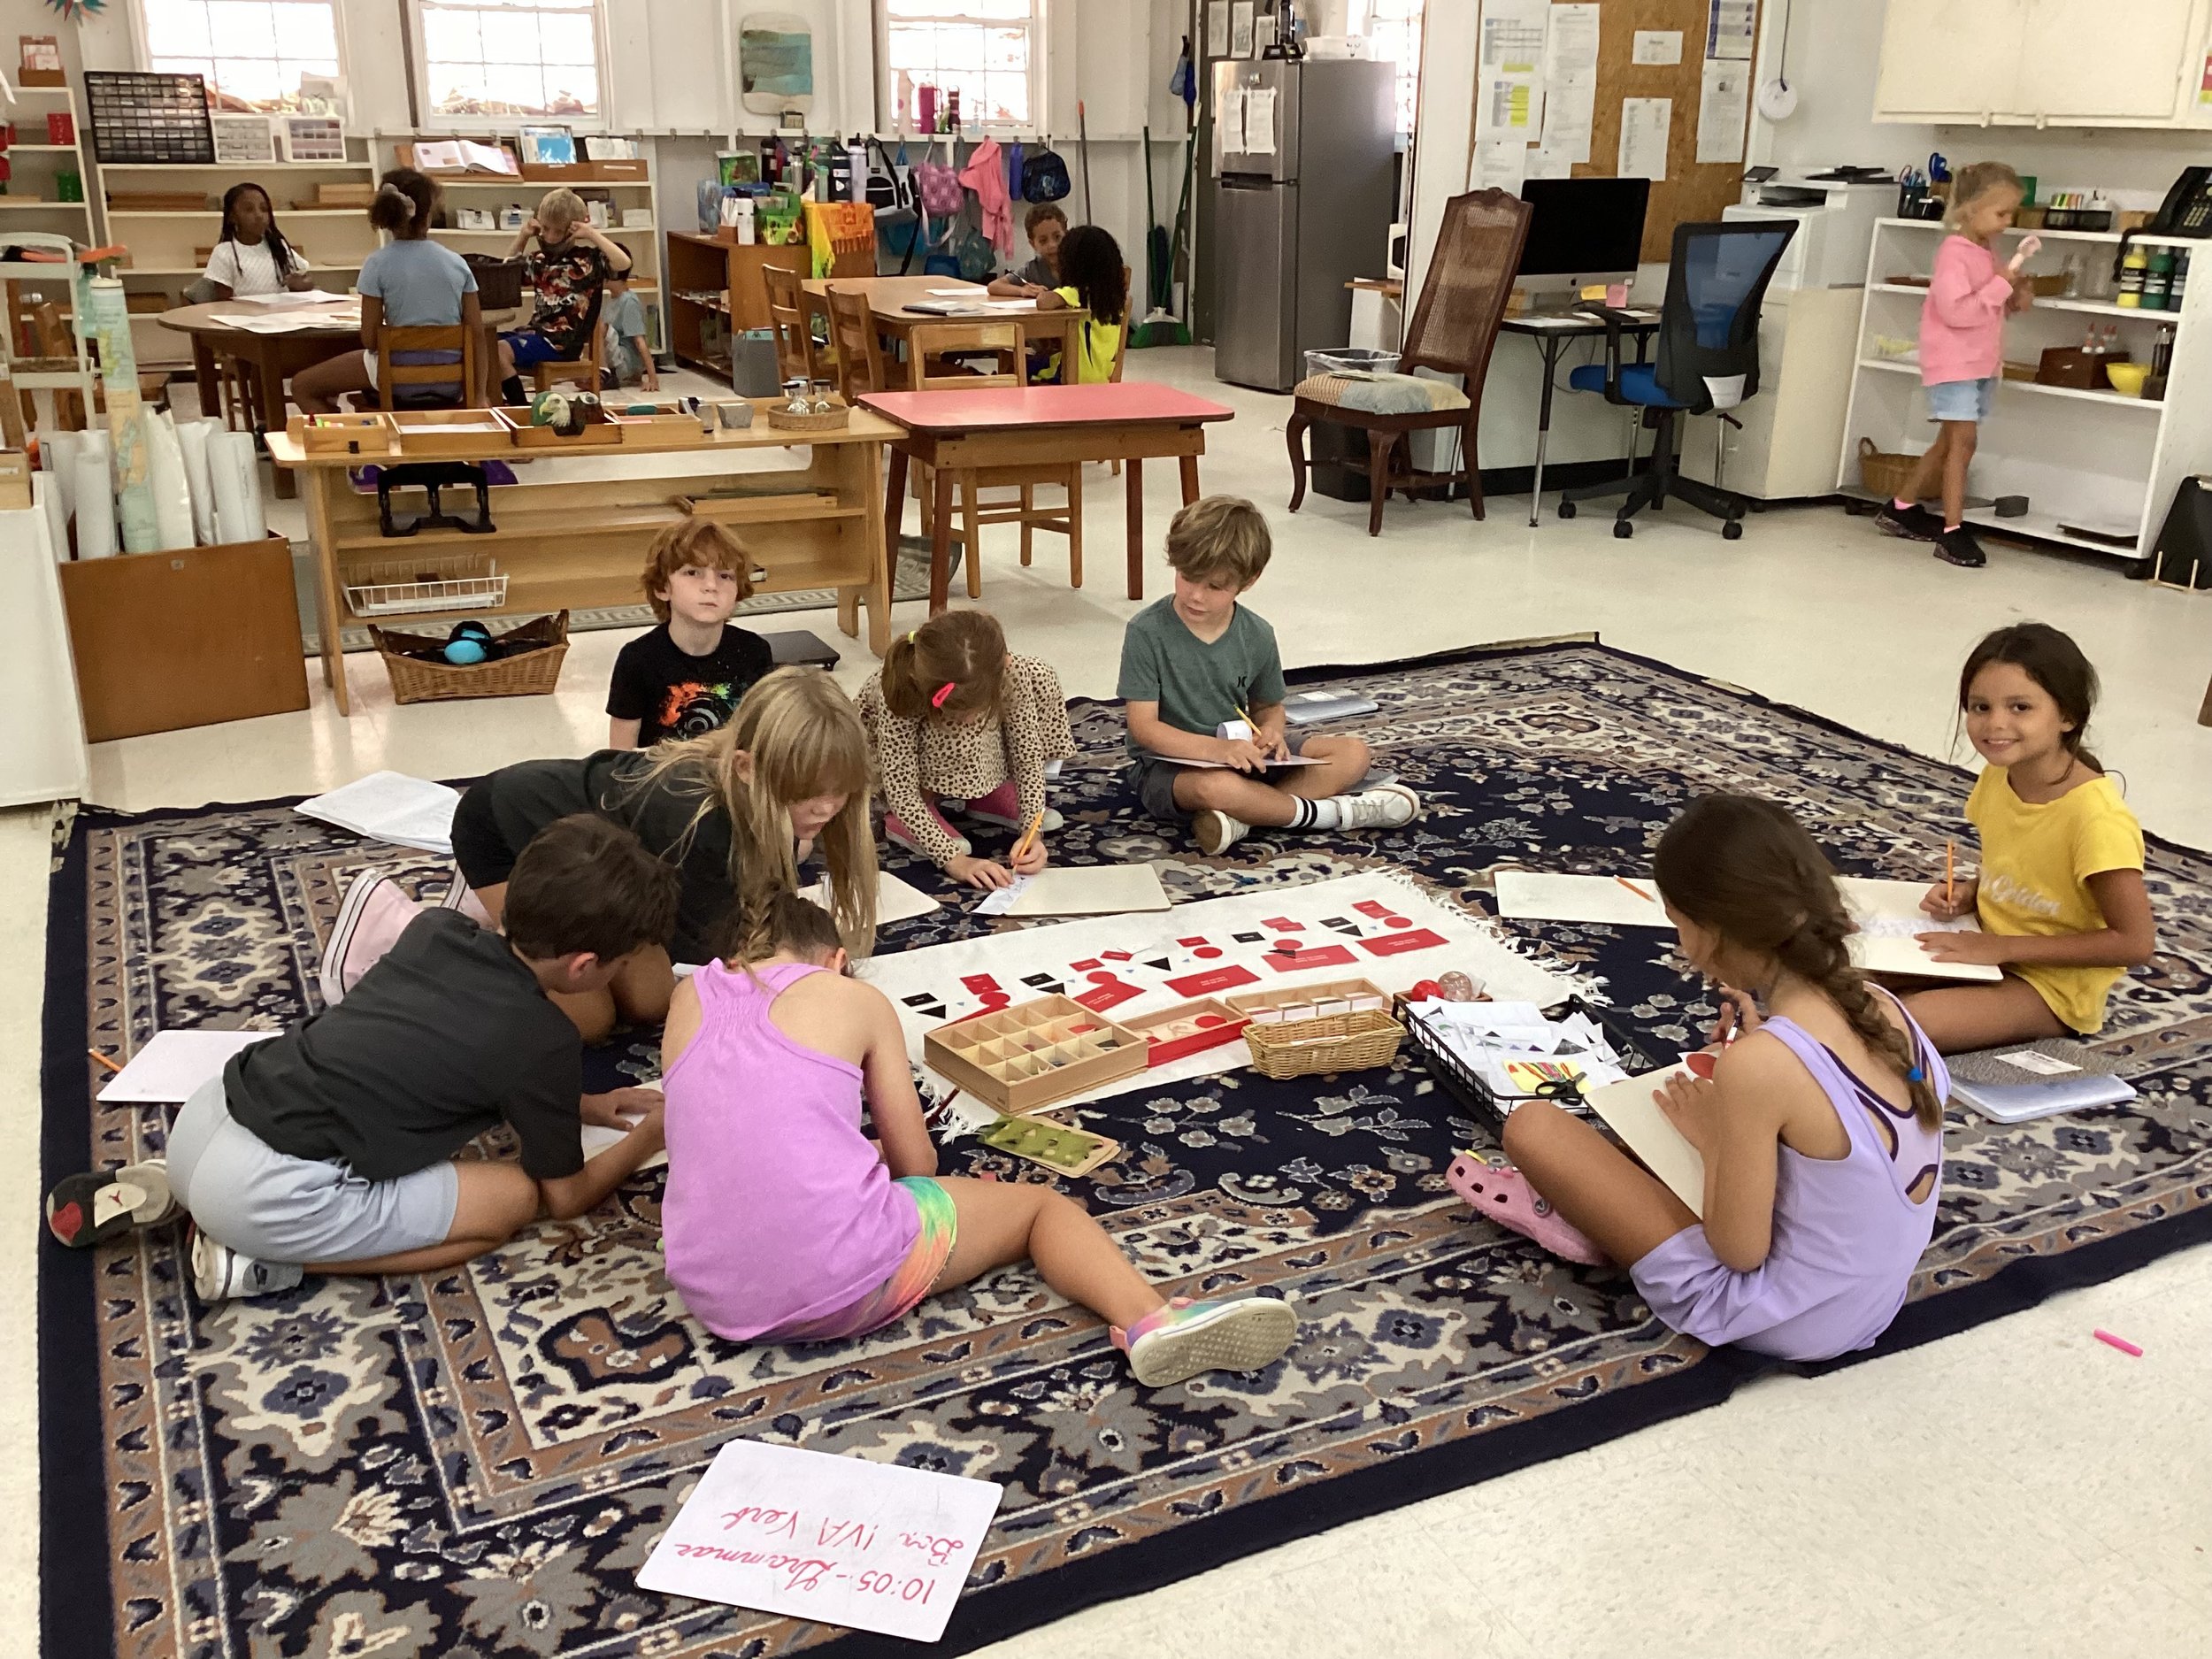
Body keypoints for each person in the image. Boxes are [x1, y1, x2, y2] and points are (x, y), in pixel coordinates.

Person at [658, 892, 1300, 1385]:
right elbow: (916, 1165)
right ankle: (1149, 1316)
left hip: (712, 1293)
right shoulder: (852, 998)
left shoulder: (686, 997)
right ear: (837, 962)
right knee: (1042, 1209)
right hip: (842, 1279)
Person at [1496, 794, 1948, 1363]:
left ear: (1709, 933)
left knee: (1532, 1125)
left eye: (1678, 925)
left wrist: (1713, 1136)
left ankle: (1584, 1225)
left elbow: (1737, 1251)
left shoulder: (1757, 1067)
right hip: (1873, 1303)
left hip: (1783, 1317)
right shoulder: (1884, 1007)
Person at [153, 816, 678, 1301]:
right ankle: (267, 1262)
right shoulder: (544, 1038)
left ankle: (194, 1203)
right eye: (624, 963)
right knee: (514, 1200)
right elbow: (566, 1198)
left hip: (203, 1120)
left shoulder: (435, 930)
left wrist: (581, 1104)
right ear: (584, 966)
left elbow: (451, 1050)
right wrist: (650, 1137)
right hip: (264, 1193)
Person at [323, 669, 879, 1042]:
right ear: (747, 769)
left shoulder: (758, 802)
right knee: (593, 1017)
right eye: (809, 793)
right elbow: (709, 947)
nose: (828, 806)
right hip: (506, 832)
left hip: (607, 863)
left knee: (640, 1002)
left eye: (840, 791)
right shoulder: (698, 824)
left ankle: (497, 921)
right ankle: (412, 935)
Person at [1120, 495, 1417, 856]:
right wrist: (1218, 750)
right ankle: (1330, 814)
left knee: (1354, 753)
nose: (1195, 595)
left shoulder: (1257, 633)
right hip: (1171, 769)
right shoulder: (1147, 632)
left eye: (1215, 586)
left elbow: (1268, 706)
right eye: (1187, 577)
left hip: (1244, 755)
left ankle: (1246, 816)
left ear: (1249, 581)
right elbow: (1144, 728)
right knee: (1219, 789)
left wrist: (1272, 731)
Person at [1904, 623, 2154, 1052]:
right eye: (1980, 707)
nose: (1995, 723)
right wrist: (1968, 893)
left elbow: (2135, 942)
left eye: (2020, 707)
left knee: (1897, 1025)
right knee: (1838, 976)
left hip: (2049, 987)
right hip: (1986, 950)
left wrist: (2001, 947)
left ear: (2068, 716)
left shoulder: (2096, 820)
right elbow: (2023, 870)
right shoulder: (1997, 777)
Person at [1875, 162, 2038, 568]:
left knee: (1949, 442)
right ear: (1969, 210)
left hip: (1979, 362)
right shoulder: (1954, 254)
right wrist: (2000, 285)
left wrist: (2016, 292)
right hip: (1953, 362)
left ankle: (1901, 506)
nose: (2007, 222)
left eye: (2011, 214)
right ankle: (1952, 531)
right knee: (1964, 444)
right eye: (2001, 213)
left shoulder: (1987, 253)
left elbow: (1991, 307)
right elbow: (1956, 312)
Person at [858, 610, 1076, 890]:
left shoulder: (1012, 673)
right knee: (950, 735)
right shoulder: (901, 688)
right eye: (965, 713)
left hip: (969, 758)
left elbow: (1027, 757)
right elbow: (901, 789)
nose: (972, 723)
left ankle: (986, 791)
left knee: (1041, 677)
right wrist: (956, 861)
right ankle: (908, 816)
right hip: (899, 782)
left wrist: (1032, 831)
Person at [293, 169, 480, 414]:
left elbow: (370, 339)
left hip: (395, 379)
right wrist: (480, 395)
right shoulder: (457, 263)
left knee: (303, 385)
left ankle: (342, 441)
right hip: (452, 382)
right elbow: (477, 333)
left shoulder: (377, 264)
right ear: (429, 214)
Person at [607, 518, 772, 749]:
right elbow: (619, 759)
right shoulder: (637, 659)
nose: (711, 586)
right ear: (663, 588)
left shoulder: (755, 651)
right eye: (693, 572)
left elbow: (764, 741)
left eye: (725, 576)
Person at [496, 188, 631, 403]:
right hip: (535, 332)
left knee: (499, 351)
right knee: (480, 344)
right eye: (546, 229)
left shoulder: (588, 260)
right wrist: (523, 235)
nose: (550, 237)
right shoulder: (538, 259)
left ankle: (521, 408)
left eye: (558, 232)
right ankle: (497, 404)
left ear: (572, 230)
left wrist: (591, 233)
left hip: (561, 342)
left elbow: (623, 263)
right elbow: (505, 273)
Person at [1032, 224, 1125, 384]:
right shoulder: (1114, 297)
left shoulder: (1077, 293)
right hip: (1103, 375)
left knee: (1022, 366)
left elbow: (1043, 302)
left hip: (1075, 375)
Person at [199, 181, 312, 300]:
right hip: (243, 316)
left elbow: (307, 280)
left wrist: (301, 284)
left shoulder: (278, 246)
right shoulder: (224, 252)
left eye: (264, 209)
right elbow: (223, 303)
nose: (259, 215)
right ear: (232, 217)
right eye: (249, 210)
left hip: (281, 314)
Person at [601, 250, 657, 390]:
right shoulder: (613, 300)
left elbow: (640, 341)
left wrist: (653, 379)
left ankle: (603, 375)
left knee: (598, 326)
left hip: (626, 364)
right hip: (616, 359)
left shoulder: (629, 302)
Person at [987, 201, 1068, 297]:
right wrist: (1022, 290)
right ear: (1033, 244)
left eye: (1057, 237)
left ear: (1067, 234)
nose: (1052, 245)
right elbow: (993, 286)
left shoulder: (1078, 263)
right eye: (1043, 240)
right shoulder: (1034, 269)